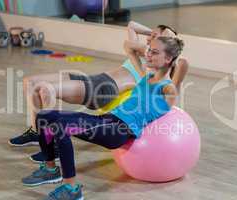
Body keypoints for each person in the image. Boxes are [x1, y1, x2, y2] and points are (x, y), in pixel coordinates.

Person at [21, 36, 184, 200]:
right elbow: (130, 49)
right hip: (107, 119)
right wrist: (152, 52)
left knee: (61, 127)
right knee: (44, 116)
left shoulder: (168, 89)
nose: (148, 55)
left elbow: (181, 68)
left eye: (154, 52)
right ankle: (50, 170)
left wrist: (175, 61)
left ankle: (71, 189)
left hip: (120, 130)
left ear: (168, 58)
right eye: (149, 50)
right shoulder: (145, 78)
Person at [9, 21, 188, 162]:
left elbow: (180, 65)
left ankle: (52, 148)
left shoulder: (151, 71)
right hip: (95, 78)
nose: (153, 40)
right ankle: (36, 131)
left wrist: (160, 44)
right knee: (31, 82)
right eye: (154, 34)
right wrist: (154, 37)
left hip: (103, 88)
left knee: (46, 91)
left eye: (161, 38)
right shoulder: (146, 63)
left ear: (167, 56)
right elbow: (131, 30)